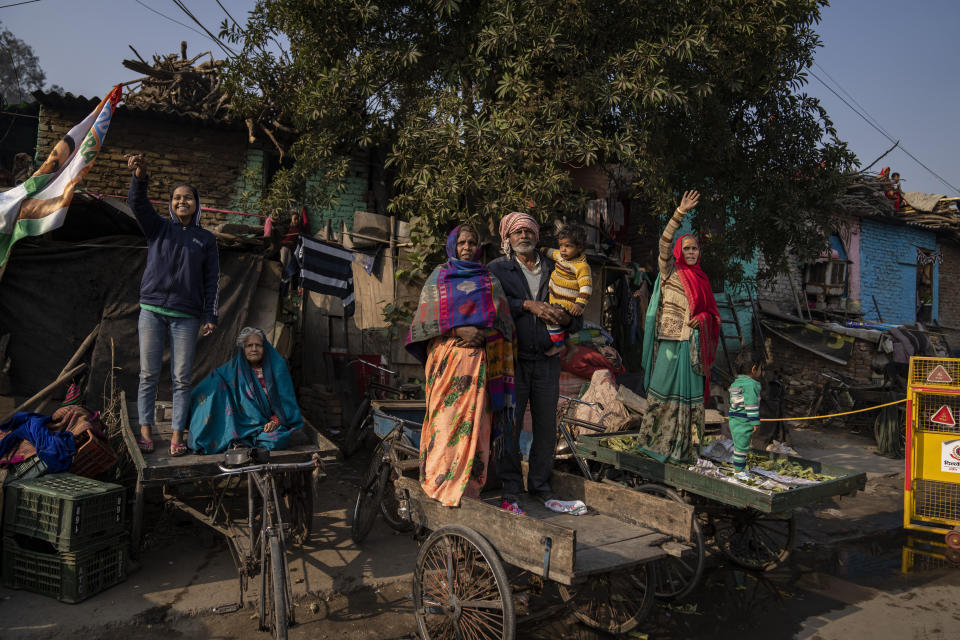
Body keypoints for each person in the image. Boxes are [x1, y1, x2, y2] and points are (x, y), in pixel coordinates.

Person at [406, 224, 516, 507]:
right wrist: (458, 331)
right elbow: (422, 323)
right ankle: (438, 488)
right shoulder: (438, 278)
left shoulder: (489, 281)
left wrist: (484, 334)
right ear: (452, 246)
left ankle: (468, 496)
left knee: (477, 431)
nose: (467, 247)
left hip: (479, 367)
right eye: (462, 242)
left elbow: (504, 324)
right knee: (444, 427)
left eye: (472, 242)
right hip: (447, 364)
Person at [488, 212, 581, 515]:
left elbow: (574, 303)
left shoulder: (557, 267)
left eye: (529, 231)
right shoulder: (497, 270)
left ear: (537, 237)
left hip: (547, 360)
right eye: (517, 233)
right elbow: (491, 307)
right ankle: (511, 487)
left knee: (545, 427)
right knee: (510, 427)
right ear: (507, 238)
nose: (523, 236)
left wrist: (568, 319)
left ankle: (540, 485)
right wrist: (527, 305)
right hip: (512, 360)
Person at [127, 153, 219, 457]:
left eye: (188, 198)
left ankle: (177, 436)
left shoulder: (205, 240)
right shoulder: (158, 229)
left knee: (181, 378)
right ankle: (146, 431)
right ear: (171, 204)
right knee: (148, 374)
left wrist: (210, 315)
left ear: (197, 204)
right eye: (177, 197)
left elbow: (212, 281)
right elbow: (137, 205)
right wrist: (140, 177)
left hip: (186, 317)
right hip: (152, 311)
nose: (183, 201)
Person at [636, 190, 720, 465]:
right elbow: (663, 243)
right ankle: (653, 445)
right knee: (661, 392)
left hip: (693, 347)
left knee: (690, 400)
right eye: (687, 248)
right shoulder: (670, 271)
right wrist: (679, 213)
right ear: (678, 253)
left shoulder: (703, 279)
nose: (692, 252)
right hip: (670, 343)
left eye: (695, 248)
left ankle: (685, 451)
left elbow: (712, 314)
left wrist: (703, 320)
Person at [188, 327, 303, 454]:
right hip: (238, 422)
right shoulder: (233, 368)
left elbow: (287, 402)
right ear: (243, 348)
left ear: (265, 347)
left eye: (258, 345)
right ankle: (240, 440)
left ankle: (241, 441)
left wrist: (276, 421)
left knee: (277, 439)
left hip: (264, 424)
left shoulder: (277, 367)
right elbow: (212, 383)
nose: (254, 349)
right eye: (249, 345)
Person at [542, 223, 592, 355]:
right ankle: (571, 347)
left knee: (550, 317)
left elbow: (586, 287)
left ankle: (558, 345)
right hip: (556, 297)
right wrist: (538, 249)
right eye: (561, 246)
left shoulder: (582, 266)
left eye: (568, 246)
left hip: (568, 303)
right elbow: (549, 251)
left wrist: (579, 304)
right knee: (559, 325)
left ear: (579, 248)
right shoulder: (560, 255)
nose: (563, 250)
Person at [728, 350, 764, 481]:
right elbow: (751, 404)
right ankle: (738, 472)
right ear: (754, 369)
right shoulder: (751, 384)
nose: (761, 371)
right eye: (761, 368)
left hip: (734, 419)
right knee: (741, 448)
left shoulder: (736, 382)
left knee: (740, 445)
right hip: (743, 420)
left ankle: (739, 468)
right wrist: (755, 422)